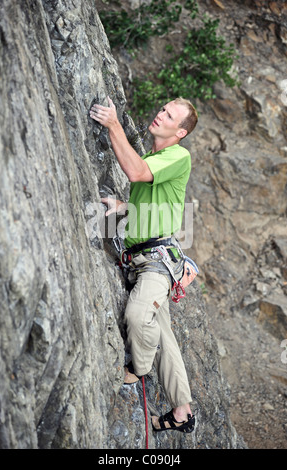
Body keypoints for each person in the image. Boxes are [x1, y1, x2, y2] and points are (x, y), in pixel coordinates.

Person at [90, 96, 198, 433]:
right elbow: (153, 199)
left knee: (138, 316)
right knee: (163, 336)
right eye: (163, 108)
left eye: (169, 115)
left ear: (179, 132)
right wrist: (124, 205)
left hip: (155, 263)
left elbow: (136, 171)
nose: (160, 114)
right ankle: (183, 412)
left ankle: (138, 368)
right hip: (146, 259)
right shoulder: (158, 155)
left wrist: (113, 125)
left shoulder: (178, 156)